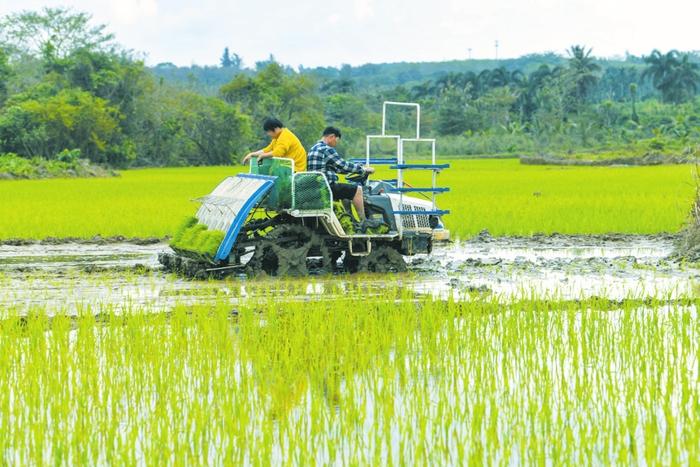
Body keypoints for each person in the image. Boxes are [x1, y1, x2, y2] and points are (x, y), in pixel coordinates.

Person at [307, 126, 376, 222]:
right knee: (358, 190)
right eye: (336, 141)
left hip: (317, 186)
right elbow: (343, 165)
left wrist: (357, 167)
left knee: (346, 194)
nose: (335, 144)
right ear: (332, 137)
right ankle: (364, 222)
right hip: (326, 186)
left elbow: (337, 168)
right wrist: (363, 169)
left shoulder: (314, 148)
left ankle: (350, 220)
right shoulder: (326, 149)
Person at [242, 118, 307, 172]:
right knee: (267, 171)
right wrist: (252, 154)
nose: (268, 134)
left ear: (275, 129)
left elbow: (278, 153)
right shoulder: (277, 137)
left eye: (268, 131)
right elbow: (267, 150)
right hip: (287, 167)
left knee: (269, 171)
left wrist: (262, 156)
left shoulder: (285, 136)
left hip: (295, 168)